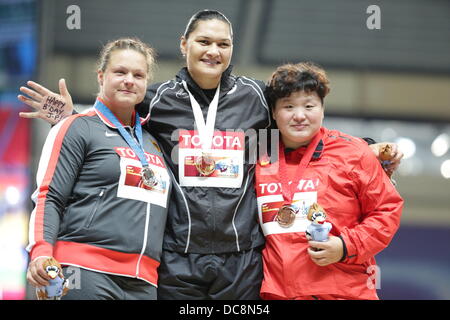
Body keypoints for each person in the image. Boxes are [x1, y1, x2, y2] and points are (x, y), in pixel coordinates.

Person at [18, 10, 403, 300]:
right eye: (204, 42)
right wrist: (71, 116)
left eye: (223, 44)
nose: (213, 51)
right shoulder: (159, 101)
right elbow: (116, 124)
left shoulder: (254, 98)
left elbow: (297, 122)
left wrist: (365, 145)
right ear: (184, 45)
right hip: (176, 256)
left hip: (242, 259)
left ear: (231, 50)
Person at [25, 38, 171, 300]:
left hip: (144, 282)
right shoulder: (77, 127)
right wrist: (42, 252)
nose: (129, 80)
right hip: (83, 271)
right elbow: (50, 196)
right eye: (120, 72)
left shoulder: (153, 141)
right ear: (101, 76)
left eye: (138, 75)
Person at [255, 62, 404, 300]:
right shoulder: (259, 155)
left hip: (344, 292)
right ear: (274, 112)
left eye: (309, 105)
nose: (300, 115)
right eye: (288, 106)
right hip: (277, 294)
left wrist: (345, 246)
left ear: (323, 109)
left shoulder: (353, 152)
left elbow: (386, 210)